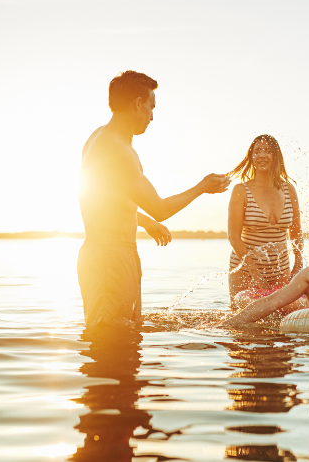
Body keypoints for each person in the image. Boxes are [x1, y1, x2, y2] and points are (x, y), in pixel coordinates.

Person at [78, 70, 230, 327]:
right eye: (151, 107)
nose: (152, 116)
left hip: (112, 254)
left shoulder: (100, 138)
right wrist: (201, 187)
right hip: (109, 259)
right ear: (137, 103)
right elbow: (160, 208)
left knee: (128, 336)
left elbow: (103, 201)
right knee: (111, 341)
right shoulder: (117, 150)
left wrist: (144, 222)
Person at [226, 135, 303, 302]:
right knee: (242, 324)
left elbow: (296, 232)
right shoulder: (241, 190)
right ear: (251, 157)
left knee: (277, 324)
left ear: (276, 157)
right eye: (257, 151)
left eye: (268, 151)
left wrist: (298, 264)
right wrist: (255, 274)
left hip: (280, 270)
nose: (262, 155)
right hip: (245, 271)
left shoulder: (289, 189)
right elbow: (233, 237)